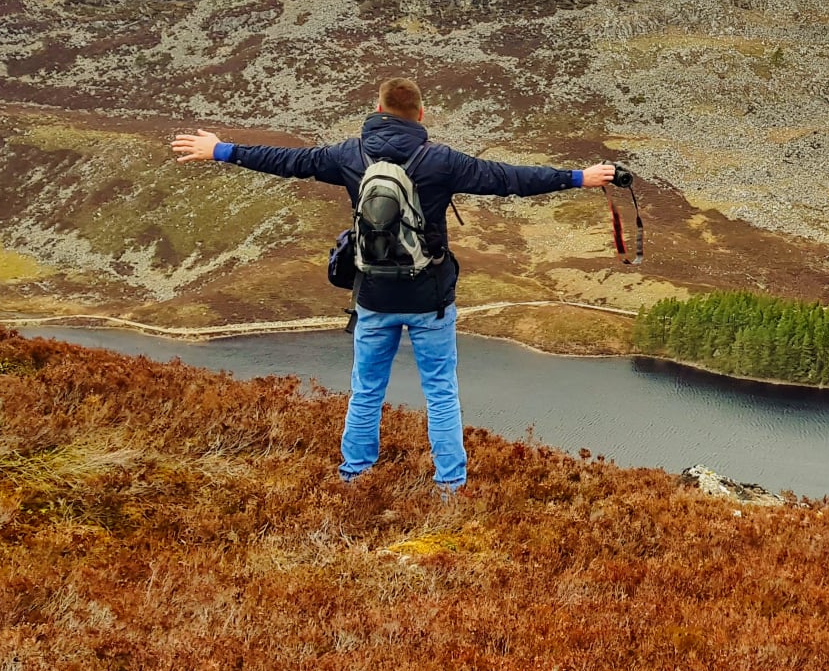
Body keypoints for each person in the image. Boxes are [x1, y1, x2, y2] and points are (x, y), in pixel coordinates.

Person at [171, 78, 614, 489]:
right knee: (441, 391)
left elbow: (290, 162)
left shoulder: (349, 154)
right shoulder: (442, 161)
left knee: (367, 388)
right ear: (421, 115)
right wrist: (578, 177)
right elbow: (509, 180)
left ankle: (355, 475)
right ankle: (450, 486)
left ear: (377, 108)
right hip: (431, 297)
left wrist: (222, 149)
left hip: (374, 295)